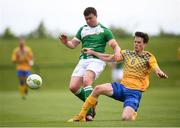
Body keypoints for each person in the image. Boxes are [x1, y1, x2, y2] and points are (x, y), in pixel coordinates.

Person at [68, 31, 168, 122]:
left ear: (145, 43)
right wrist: (92, 52)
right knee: (98, 89)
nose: (136, 44)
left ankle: (133, 113)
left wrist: (159, 72)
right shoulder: (127, 53)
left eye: (139, 42)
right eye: (135, 42)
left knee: (126, 118)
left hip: (134, 93)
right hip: (121, 88)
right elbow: (109, 57)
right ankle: (82, 115)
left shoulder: (148, 57)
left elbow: (156, 67)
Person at [59, 7, 121, 121]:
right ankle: (93, 103)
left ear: (96, 16)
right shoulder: (82, 29)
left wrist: (117, 52)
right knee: (73, 87)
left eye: (90, 18)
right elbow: (73, 45)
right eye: (86, 19)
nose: (88, 21)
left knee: (87, 81)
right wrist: (65, 42)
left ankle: (89, 112)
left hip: (97, 60)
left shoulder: (104, 30)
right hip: (83, 60)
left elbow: (115, 45)